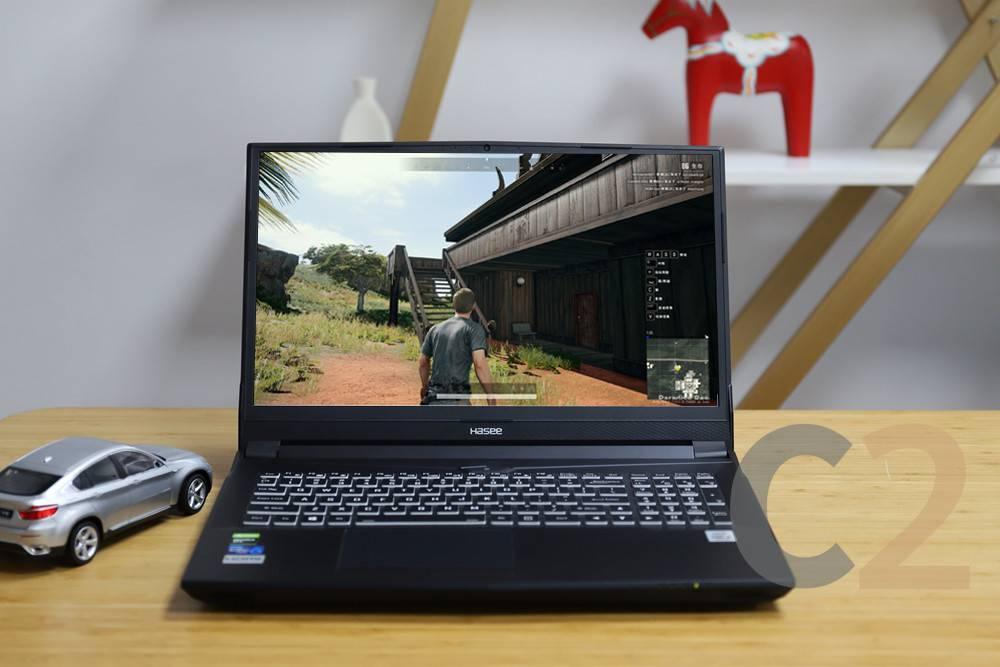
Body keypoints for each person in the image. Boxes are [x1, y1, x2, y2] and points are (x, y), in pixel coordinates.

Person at [418, 288, 495, 406]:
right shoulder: (474, 329)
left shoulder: (435, 329)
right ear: (473, 306)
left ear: (453, 305)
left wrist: (425, 387)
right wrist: (491, 397)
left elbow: (423, 362)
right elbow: (479, 364)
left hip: (433, 398)